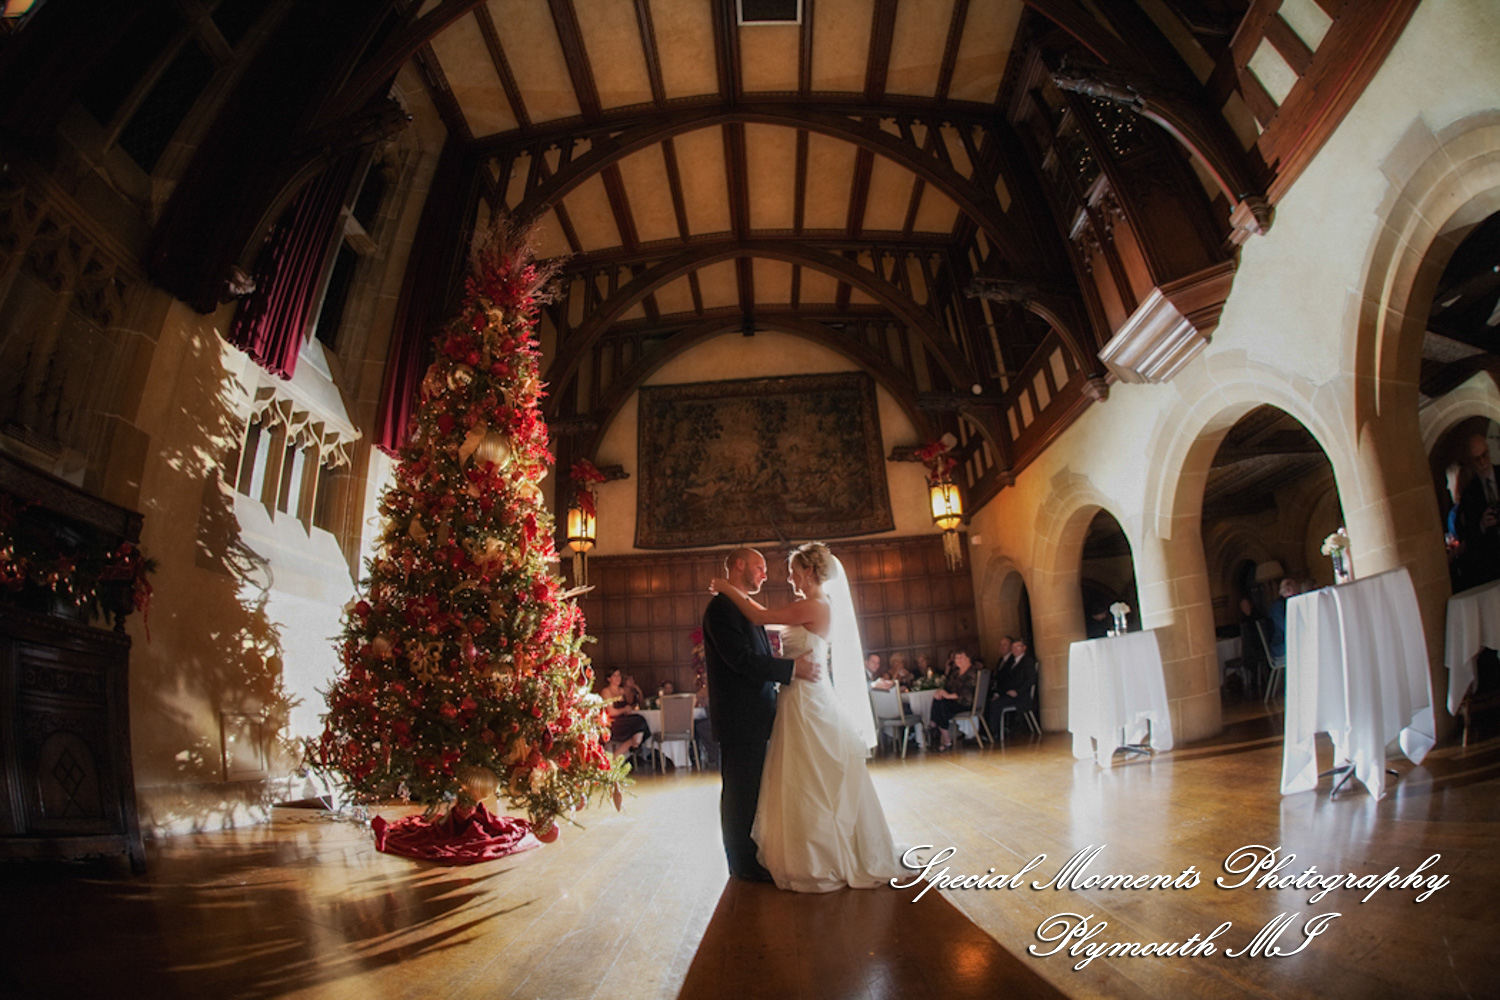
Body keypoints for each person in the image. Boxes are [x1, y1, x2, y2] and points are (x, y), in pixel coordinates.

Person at [710, 541, 900, 892]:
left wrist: (726, 588)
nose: (784, 576)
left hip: (807, 700)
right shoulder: (796, 606)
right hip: (788, 701)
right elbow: (753, 637)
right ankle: (775, 857)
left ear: (810, 571)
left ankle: (820, 853)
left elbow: (760, 617)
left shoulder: (813, 605)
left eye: (793, 570)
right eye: (762, 567)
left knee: (811, 773)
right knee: (790, 777)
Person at [701, 546, 821, 882]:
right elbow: (740, 660)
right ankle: (740, 864)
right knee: (740, 791)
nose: (765, 574)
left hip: (757, 715)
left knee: (753, 789)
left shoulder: (742, 607)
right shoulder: (721, 609)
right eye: (759, 566)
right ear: (739, 565)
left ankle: (752, 855)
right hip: (740, 718)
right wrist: (791, 668)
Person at [1456, 433, 1500, 586]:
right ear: (1470, 462)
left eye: (1484, 455)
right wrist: (1482, 525)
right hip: (1492, 566)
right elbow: (1469, 536)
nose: (1482, 463)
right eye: (1477, 459)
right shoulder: (1469, 494)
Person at [928, 649, 977, 751]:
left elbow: (966, 693)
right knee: (938, 700)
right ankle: (944, 736)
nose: (958, 660)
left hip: (965, 702)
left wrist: (948, 696)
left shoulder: (972, 672)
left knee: (941, 706)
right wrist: (941, 693)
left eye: (961, 657)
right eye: (956, 658)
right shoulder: (955, 673)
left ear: (968, 658)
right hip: (954, 701)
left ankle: (937, 727)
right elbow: (948, 688)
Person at [988, 638, 1037, 735]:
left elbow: (1031, 680)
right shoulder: (1013, 663)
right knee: (991, 702)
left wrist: (1017, 691)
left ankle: (995, 732)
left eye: (1018, 647)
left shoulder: (1027, 661)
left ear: (1024, 648)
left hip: (1021, 696)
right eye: (1013, 647)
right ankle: (994, 731)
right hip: (1011, 694)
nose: (1015, 650)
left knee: (995, 705)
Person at [599, 668, 650, 756]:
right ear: (609, 679)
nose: (618, 678)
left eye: (619, 675)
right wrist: (624, 709)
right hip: (613, 723)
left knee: (640, 725)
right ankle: (634, 747)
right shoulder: (606, 691)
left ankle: (634, 745)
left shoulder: (622, 691)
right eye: (614, 676)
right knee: (639, 722)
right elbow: (611, 712)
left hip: (624, 720)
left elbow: (632, 703)